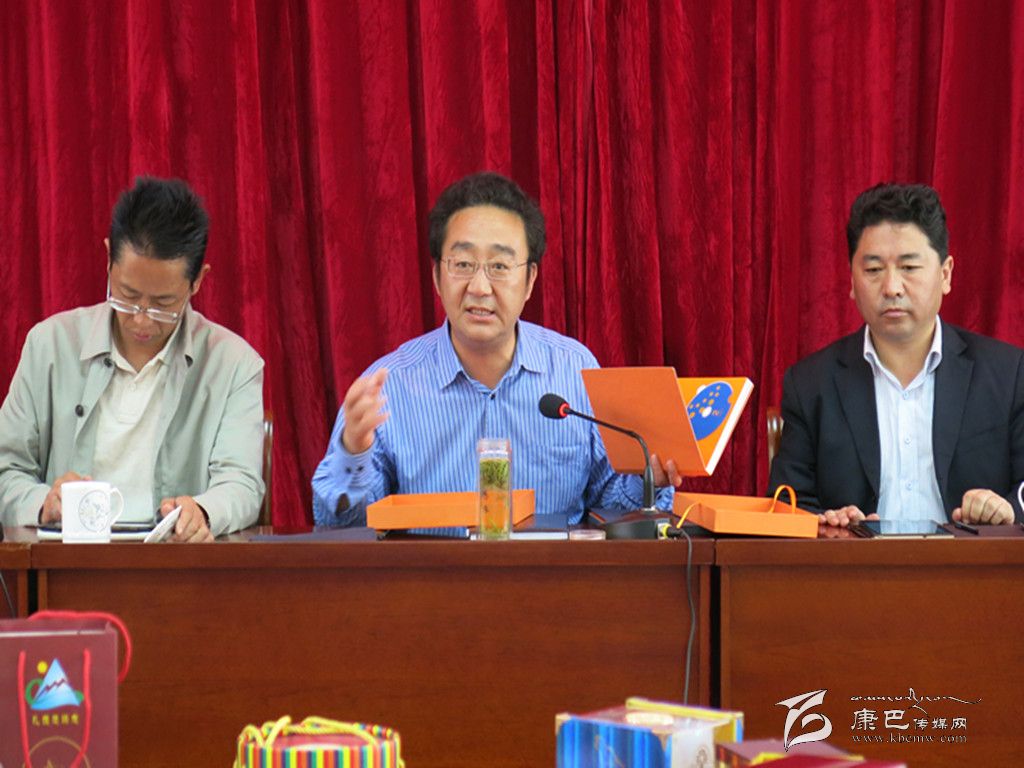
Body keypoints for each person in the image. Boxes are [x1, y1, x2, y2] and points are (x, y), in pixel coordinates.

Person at [312, 171, 680, 526]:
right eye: (463, 264)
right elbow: (339, 526)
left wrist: (649, 479)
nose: (480, 287)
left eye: (500, 266)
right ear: (437, 276)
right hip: (431, 570)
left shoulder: (573, 370)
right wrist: (353, 452)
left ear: (530, 280)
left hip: (551, 569)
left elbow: (612, 505)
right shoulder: (390, 385)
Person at [0, 177, 265, 541]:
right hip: (67, 561)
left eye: (163, 304)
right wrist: (43, 503)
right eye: (127, 295)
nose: (142, 319)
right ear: (108, 259)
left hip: (174, 562)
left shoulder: (234, 364)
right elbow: (6, 469)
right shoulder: (49, 345)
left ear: (198, 282)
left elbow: (242, 484)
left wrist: (202, 512)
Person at [768, 182, 1024, 527]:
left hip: (969, 561)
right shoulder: (810, 384)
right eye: (874, 270)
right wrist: (827, 523)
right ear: (851, 280)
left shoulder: (1009, 375)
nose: (891, 287)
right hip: (856, 561)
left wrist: (1008, 509)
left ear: (945, 274)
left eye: (909, 267)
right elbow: (787, 505)